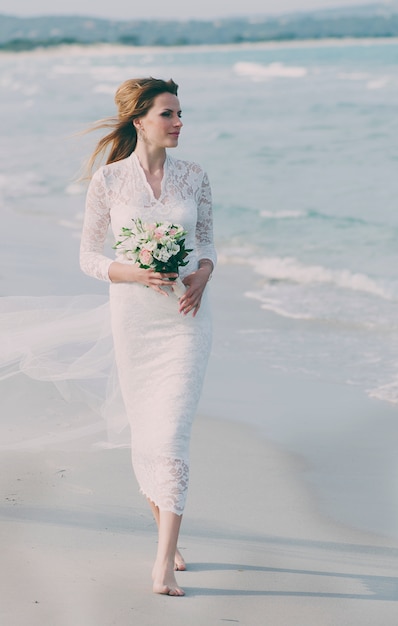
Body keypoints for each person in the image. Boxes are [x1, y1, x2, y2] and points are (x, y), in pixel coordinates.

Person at [79, 77, 216, 597]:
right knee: (147, 433)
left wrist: (203, 273)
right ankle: (169, 538)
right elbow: (89, 257)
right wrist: (134, 273)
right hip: (135, 319)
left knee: (173, 432)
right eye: (169, 113)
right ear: (140, 121)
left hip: (186, 318)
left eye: (181, 114)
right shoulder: (109, 182)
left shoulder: (196, 176)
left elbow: (207, 242)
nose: (179, 122)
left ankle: (161, 564)